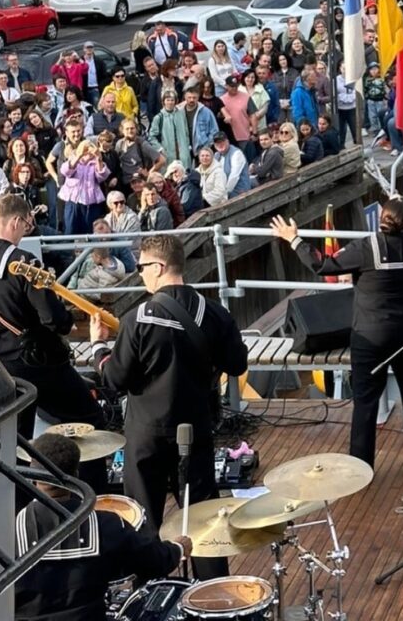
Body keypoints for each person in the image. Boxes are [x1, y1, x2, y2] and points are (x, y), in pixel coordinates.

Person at [90, 234, 247, 580]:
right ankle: (214, 598)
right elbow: (237, 364)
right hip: (196, 430)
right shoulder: (215, 313)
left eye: (143, 266)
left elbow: (114, 380)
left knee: (146, 520)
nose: (140, 273)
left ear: (159, 267)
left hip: (146, 433)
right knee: (205, 518)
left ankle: (151, 595)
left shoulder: (138, 318)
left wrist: (99, 347)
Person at [270, 197, 403, 470]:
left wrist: (294, 239)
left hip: (371, 335)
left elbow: (323, 265)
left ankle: (362, 466)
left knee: (366, 401)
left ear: (382, 218)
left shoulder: (366, 248)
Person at [14, 432, 191, 621]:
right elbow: (154, 561)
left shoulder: (5, 532)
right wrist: (178, 548)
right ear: (76, 476)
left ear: (33, 477)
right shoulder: (107, 525)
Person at [0, 194, 105, 452]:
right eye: (27, 224)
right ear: (15, 221)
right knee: (89, 420)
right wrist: (66, 320)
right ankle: (84, 488)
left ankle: (20, 492)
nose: (27, 231)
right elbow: (53, 319)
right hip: (34, 364)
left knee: (14, 443)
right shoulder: (24, 262)